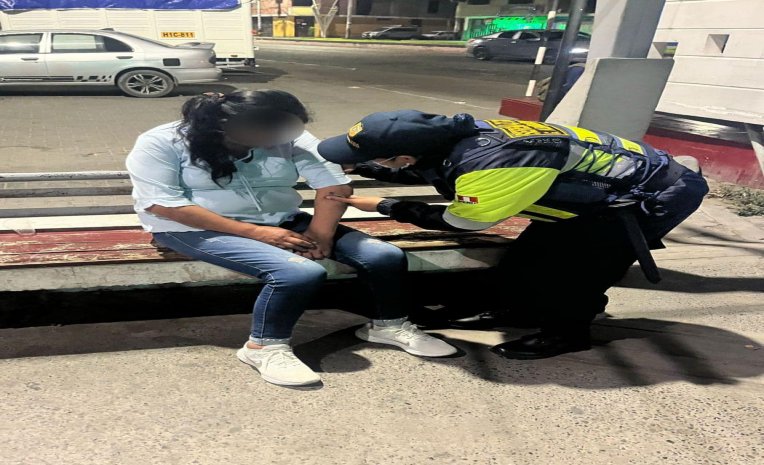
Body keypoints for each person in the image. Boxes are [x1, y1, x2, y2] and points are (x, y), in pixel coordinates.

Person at [316, 110, 709, 360]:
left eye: (368, 157)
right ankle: (517, 312)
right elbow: (432, 167)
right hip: (592, 193)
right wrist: (365, 168)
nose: (360, 161)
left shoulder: (493, 163)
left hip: (642, 198)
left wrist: (384, 205)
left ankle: (567, 334)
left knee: (580, 270)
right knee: (528, 258)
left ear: (403, 155)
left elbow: (462, 221)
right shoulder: (451, 135)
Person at [125, 92, 457, 387]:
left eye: (289, 131)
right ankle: (263, 347)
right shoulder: (162, 142)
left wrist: (320, 233)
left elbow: (334, 185)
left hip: (280, 219)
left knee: (383, 256)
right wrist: (258, 233)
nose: (283, 140)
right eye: (274, 133)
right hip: (192, 228)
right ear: (232, 127)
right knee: (298, 272)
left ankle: (388, 325)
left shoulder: (283, 134)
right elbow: (163, 205)